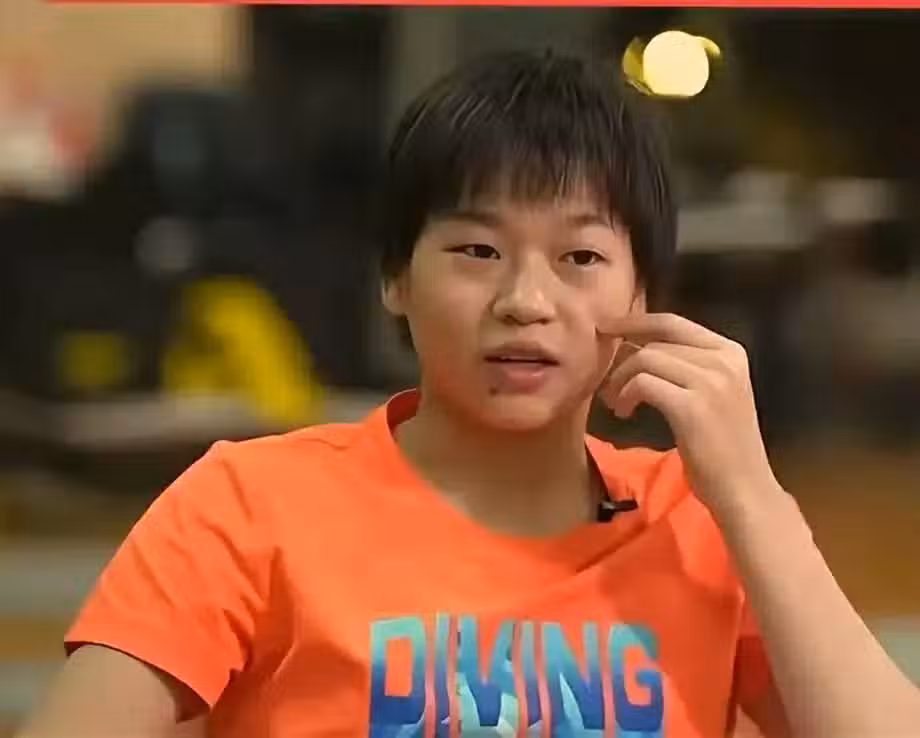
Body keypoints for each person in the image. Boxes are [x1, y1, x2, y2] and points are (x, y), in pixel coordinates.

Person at [17, 51, 919, 738]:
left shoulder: (705, 525)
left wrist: (753, 497)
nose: (525, 301)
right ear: (395, 278)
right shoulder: (246, 508)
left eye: (581, 257)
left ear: (643, 294)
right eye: (477, 251)